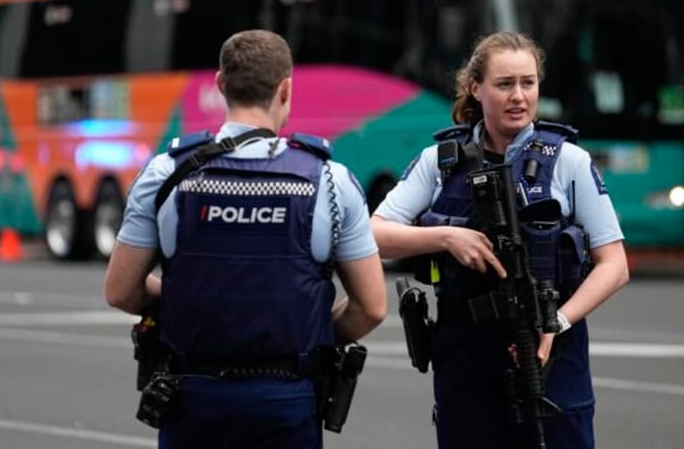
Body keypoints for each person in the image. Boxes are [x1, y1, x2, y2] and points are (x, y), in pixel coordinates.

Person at [104, 29, 387, 449]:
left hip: (192, 396)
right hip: (287, 398)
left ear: (219, 84)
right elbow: (372, 308)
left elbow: (121, 291)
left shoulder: (166, 174)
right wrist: (305, 330)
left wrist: (195, 298)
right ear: (286, 89)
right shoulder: (330, 181)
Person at [372, 31, 629, 449]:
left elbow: (614, 266)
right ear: (476, 88)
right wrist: (447, 237)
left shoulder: (568, 160)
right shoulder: (440, 161)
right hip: (466, 355)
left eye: (528, 83)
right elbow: (375, 235)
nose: (519, 96)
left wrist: (557, 324)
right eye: (504, 84)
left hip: (550, 349)